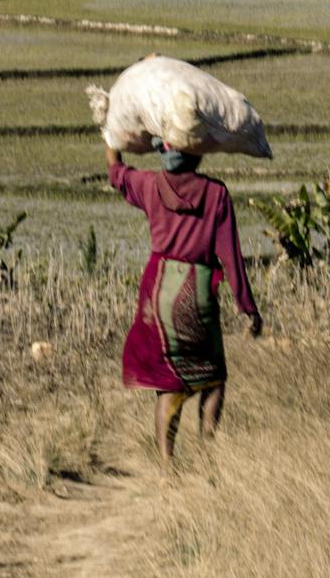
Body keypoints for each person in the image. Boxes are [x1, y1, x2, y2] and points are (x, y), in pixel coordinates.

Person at [107, 140, 262, 467]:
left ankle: (167, 468)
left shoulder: (149, 185)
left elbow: (116, 172)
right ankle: (208, 455)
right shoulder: (215, 193)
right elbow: (231, 255)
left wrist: (112, 135)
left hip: (160, 291)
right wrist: (247, 305)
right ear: (198, 151)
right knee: (214, 377)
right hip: (199, 288)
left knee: (168, 383)